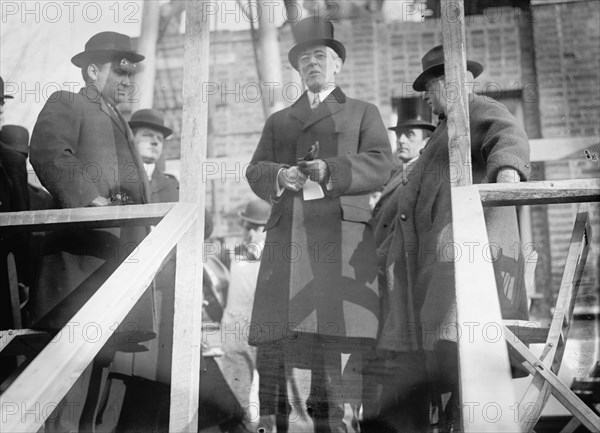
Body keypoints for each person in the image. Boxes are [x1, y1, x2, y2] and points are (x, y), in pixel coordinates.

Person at [246, 16, 394, 433]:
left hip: (342, 251)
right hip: (289, 251)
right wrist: (280, 175)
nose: (312, 64)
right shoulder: (279, 121)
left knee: (339, 360)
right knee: (286, 358)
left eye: (320, 56)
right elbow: (254, 169)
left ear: (337, 65)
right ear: (297, 69)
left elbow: (382, 163)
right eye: (305, 58)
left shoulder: (364, 113)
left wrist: (330, 169)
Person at [377, 45, 531, 432]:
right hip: (438, 267)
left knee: (459, 349)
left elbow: (506, 132)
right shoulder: (444, 130)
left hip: (465, 259)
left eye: (428, 89)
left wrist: (508, 170)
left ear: (448, 84)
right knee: (445, 358)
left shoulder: (475, 108)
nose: (426, 99)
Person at [28, 31, 152, 432]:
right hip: (79, 272)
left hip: (117, 274)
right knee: (65, 393)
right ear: (92, 70)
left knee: (95, 396)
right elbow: (49, 152)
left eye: (132, 74)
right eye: (120, 71)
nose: (128, 81)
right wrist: (90, 200)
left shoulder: (122, 123)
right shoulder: (70, 102)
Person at [363, 99, 436, 432]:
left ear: (427, 140)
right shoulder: (398, 178)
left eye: (412, 134)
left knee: (402, 394)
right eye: (400, 134)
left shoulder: (423, 175)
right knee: (383, 392)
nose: (403, 140)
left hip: (405, 298)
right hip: (383, 299)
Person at [129, 108, 179, 203]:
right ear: (131, 139)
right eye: (147, 135)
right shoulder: (115, 180)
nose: (155, 142)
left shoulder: (173, 186)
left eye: (159, 139)